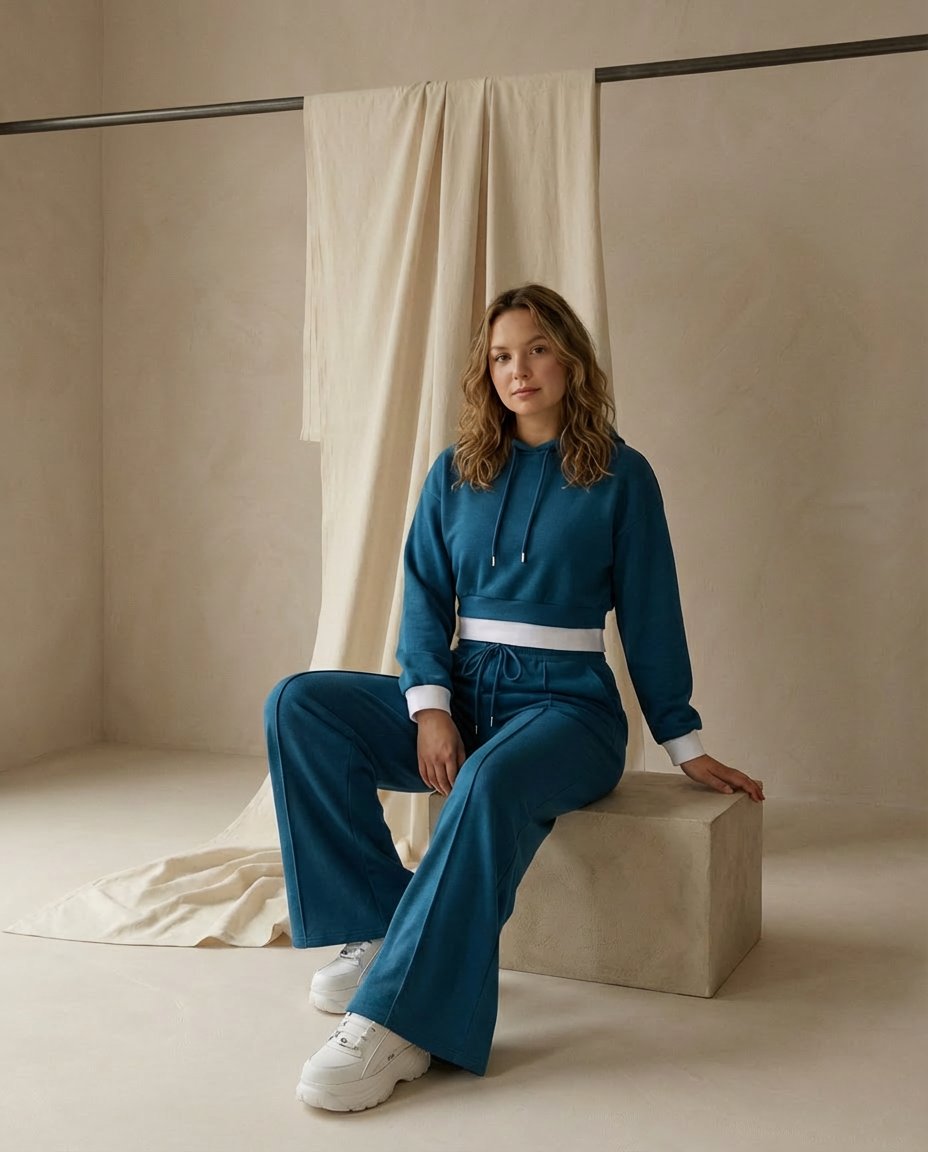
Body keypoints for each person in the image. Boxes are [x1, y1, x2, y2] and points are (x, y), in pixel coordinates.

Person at [264, 283, 765, 1113]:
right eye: (501, 355)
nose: (518, 369)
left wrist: (685, 742)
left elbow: (652, 616)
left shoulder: (621, 475)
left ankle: (397, 1023)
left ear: (568, 359)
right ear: (485, 370)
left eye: (535, 349)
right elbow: (424, 600)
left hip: (570, 711)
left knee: (490, 779)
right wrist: (430, 707)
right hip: (466, 691)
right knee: (301, 705)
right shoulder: (456, 472)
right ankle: (382, 924)